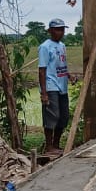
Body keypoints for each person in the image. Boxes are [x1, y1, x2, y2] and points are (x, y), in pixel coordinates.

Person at [38, 18, 73, 156]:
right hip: (51, 86)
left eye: (62, 29)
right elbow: (42, 70)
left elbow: (60, 65)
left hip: (62, 86)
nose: (61, 32)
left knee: (63, 116)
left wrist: (69, 76)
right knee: (52, 116)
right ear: (50, 31)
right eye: (58, 29)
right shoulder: (45, 47)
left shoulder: (62, 46)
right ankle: (49, 146)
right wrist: (44, 93)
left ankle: (57, 145)